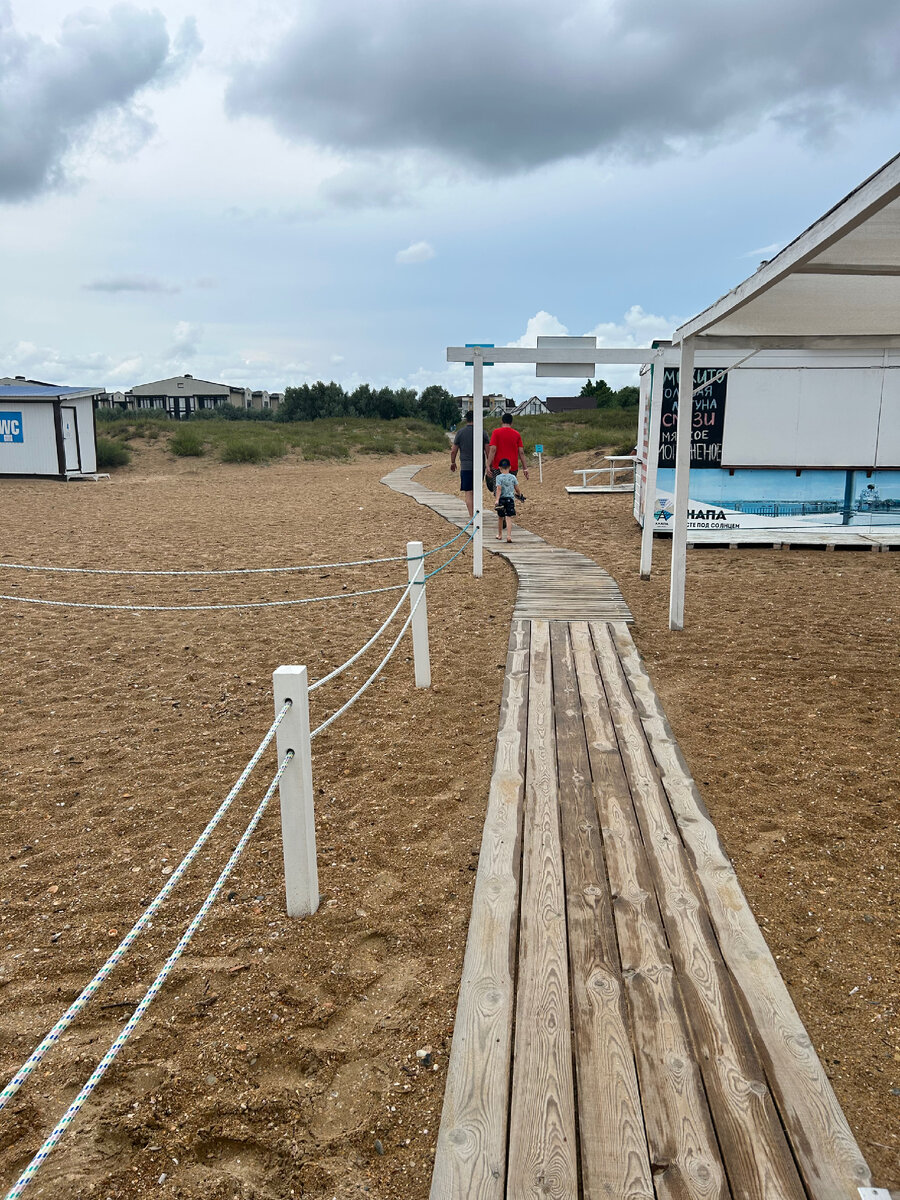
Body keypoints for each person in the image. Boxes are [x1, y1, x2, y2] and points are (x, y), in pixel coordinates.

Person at [450, 411, 489, 518]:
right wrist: (489, 464)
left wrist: (453, 462)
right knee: (477, 491)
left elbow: (453, 451)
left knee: (468, 492)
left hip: (466, 466)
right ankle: (478, 514)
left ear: (466, 419)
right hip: (480, 466)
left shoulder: (460, 432)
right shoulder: (482, 432)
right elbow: (488, 450)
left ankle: (472, 517)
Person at [486, 412, 529, 483]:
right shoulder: (517, 434)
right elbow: (521, 452)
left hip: (498, 466)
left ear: (502, 421)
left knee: (498, 490)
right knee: (510, 489)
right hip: (512, 466)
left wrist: (488, 465)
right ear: (511, 423)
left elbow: (493, 449)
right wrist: (525, 468)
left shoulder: (496, 432)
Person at [494, 458, 526, 543]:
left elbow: (499, 489)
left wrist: (497, 499)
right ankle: (508, 536)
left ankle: (500, 535)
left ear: (500, 468)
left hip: (501, 499)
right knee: (508, 517)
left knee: (500, 517)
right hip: (510, 499)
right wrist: (520, 495)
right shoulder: (513, 477)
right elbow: (517, 488)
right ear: (510, 467)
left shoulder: (498, 477)